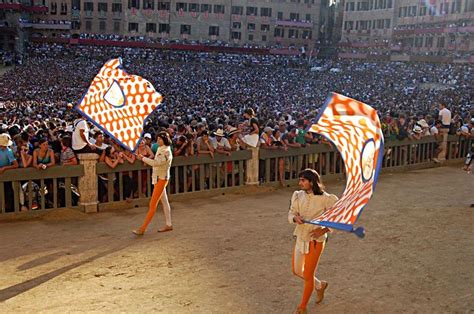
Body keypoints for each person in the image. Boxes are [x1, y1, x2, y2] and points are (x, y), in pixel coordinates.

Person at [288, 169, 338, 313]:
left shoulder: (327, 199)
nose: (300, 183)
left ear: (312, 181)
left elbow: (338, 218)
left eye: (303, 180)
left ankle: (302, 307)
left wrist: (323, 230)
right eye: (300, 180)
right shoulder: (298, 195)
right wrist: (294, 218)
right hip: (301, 237)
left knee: (308, 274)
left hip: (316, 241)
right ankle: (320, 285)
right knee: (297, 271)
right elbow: (291, 212)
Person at [133, 131, 173, 235]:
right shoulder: (161, 149)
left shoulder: (166, 151)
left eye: (160, 139)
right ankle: (169, 224)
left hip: (161, 179)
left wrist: (142, 158)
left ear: (164, 139)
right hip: (160, 178)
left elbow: (156, 163)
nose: (158, 140)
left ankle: (142, 228)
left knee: (152, 205)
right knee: (164, 202)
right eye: (158, 138)